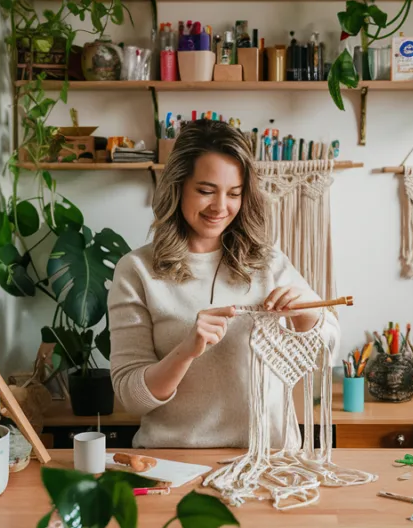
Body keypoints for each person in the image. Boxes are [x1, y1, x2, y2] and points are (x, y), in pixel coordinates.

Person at [108, 120, 339, 447]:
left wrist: (307, 317)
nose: (220, 207)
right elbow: (131, 397)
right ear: (178, 186)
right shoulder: (137, 271)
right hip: (175, 464)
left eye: (234, 193)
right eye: (205, 191)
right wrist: (185, 352)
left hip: (268, 463)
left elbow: (326, 355)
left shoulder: (269, 263)